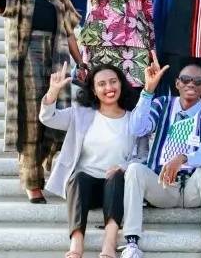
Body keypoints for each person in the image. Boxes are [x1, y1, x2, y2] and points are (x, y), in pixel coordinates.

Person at [0, 0, 82, 203]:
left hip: (56, 60)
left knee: (56, 119)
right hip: (26, 62)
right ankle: (32, 182)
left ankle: (53, 171)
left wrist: (82, 64)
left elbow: (71, 33)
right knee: (30, 122)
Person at [121, 56, 201, 258]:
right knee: (134, 170)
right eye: (185, 79)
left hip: (193, 188)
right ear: (177, 83)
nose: (191, 84)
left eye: (198, 81)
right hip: (163, 186)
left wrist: (183, 158)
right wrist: (148, 91)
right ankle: (132, 242)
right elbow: (137, 128)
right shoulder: (163, 104)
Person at [40, 64, 142, 258]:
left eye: (113, 82)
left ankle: (109, 243)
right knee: (78, 177)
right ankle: (77, 243)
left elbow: (143, 156)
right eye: (101, 84)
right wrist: (53, 92)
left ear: (121, 84)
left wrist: (123, 167)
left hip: (118, 188)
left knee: (116, 176)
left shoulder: (133, 119)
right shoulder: (81, 114)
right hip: (86, 188)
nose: (109, 88)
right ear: (94, 91)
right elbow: (48, 118)